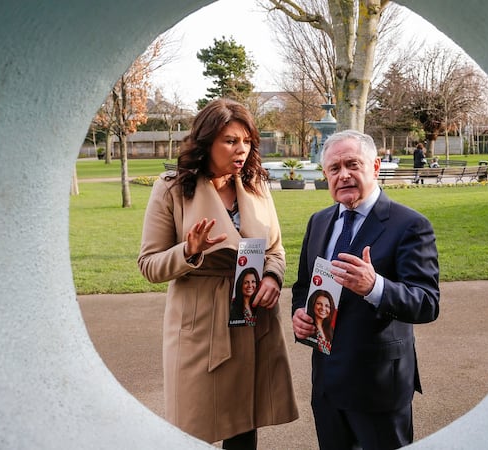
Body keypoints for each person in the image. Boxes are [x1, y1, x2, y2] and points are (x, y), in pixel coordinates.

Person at [138, 98, 298, 449]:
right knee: (193, 424)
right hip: (199, 324)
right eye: (230, 141)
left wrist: (272, 278)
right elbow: (149, 265)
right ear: (205, 142)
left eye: (246, 141)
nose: (241, 150)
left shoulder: (256, 185)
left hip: (252, 318)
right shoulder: (171, 188)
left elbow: (275, 249)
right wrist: (189, 251)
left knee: (244, 424)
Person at [291, 129, 440, 450]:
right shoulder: (318, 222)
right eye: (334, 168)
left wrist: (375, 287)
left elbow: (427, 303)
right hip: (328, 384)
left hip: (379, 387)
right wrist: (300, 315)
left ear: (375, 167)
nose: (343, 174)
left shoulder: (410, 225)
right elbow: (303, 285)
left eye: (352, 165)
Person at [305, 289, 336, 354]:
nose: (323, 308)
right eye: (319, 304)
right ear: (312, 304)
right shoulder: (307, 327)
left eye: (327, 306)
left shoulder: (331, 330)